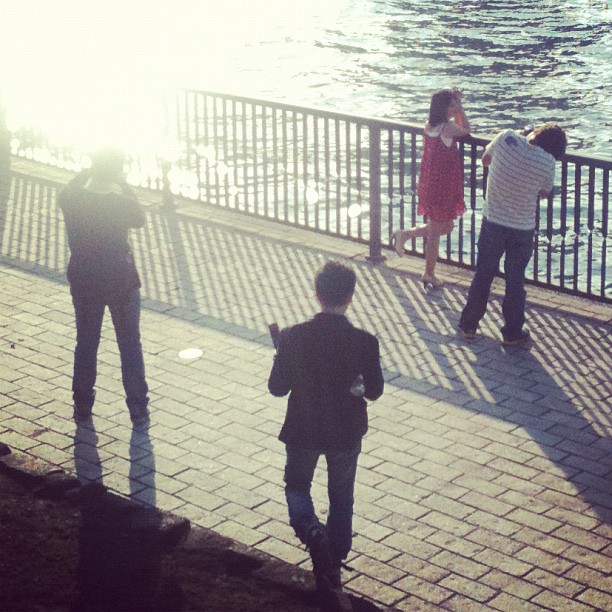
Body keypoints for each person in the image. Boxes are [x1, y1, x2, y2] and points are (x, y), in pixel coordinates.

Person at [268, 261, 384, 609]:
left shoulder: (292, 336)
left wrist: (281, 357)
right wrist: (357, 386)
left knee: (297, 486)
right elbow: (374, 390)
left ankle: (310, 531)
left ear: (316, 294)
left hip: (303, 428)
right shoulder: (365, 341)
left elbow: (277, 388)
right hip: (346, 432)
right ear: (350, 298)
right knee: (342, 498)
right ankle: (332, 567)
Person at [58, 148, 150, 426]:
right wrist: (123, 183)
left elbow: (63, 194)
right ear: (117, 172)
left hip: (85, 281)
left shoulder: (74, 199)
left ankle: (83, 404)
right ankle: (137, 409)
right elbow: (140, 218)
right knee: (130, 345)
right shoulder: (119, 202)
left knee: (86, 343)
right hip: (121, 282)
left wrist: (86, 172)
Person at [459, 123, 567, 346]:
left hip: (493, 221)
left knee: (484, 274)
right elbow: (545, 192)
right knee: (515, 280)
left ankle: (469, 325)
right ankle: (512, 331)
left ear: (535, 133)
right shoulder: (547, 162)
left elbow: (485, 159)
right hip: (522, 227)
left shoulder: (506, 137)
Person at [392, 87, 470, 288]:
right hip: (442, 185)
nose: (454, 108)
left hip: (430, 182)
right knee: (437, 230)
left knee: (446, 226)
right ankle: (429, 273)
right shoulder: (448, 128)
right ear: (444, 108)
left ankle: (406, 235)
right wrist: (461, 108)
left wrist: (456, 103)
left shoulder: (429, 126)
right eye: (451, 105)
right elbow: (466, 129)